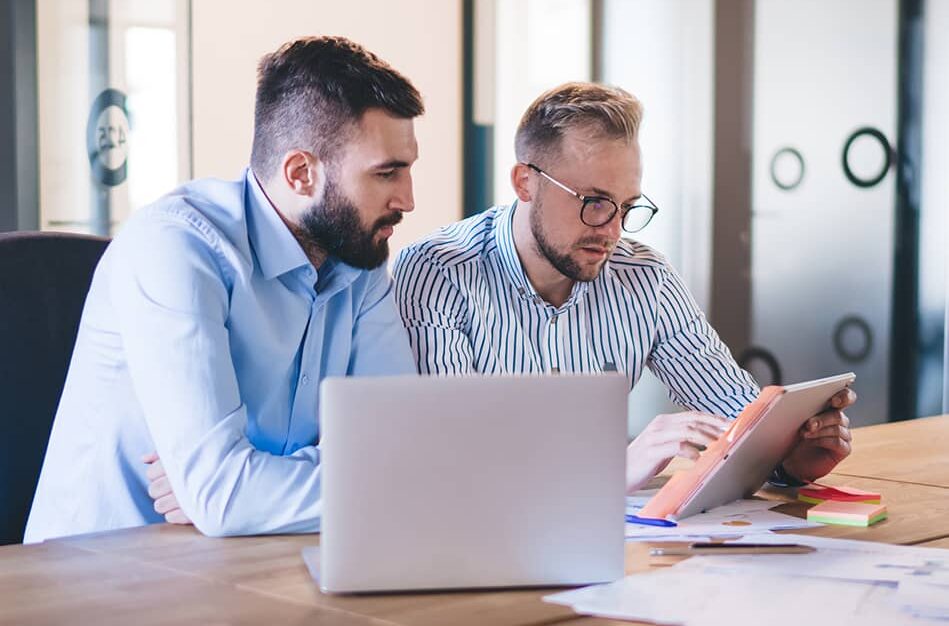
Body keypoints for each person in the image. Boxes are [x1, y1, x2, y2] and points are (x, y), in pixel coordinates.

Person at [25, 36, 423, 542]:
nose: (408, 199)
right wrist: (234, 492)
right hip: (96, 581)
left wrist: (252, 489)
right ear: (301, 174)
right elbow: (225, 496)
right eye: (386, 173)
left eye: (408, 169)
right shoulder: (176, 247)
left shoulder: (359, 261)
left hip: (253, 562)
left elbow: (406, 453)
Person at [393, 82, 855, 493]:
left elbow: (737, 419)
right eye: (594, 203)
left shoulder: (644, 276)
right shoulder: (440, 271)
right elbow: (453, 463)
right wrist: (617, 468)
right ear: (525, 182)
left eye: (627, 207)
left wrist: (790, 459)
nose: (612, 231)